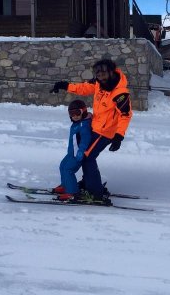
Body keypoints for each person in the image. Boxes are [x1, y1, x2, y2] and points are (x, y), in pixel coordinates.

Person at [50, 59, 133, 202]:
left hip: (105, 133)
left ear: (111, 72)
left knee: (87, 158)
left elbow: (125, 115)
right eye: (97, 73)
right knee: (83, 156)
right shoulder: (98, 84)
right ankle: (88, 182)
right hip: (95, 126)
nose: (100, 76)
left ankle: (95, 193)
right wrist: (64, 85)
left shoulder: (120, 94)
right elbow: (83, 88)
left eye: (103, 73)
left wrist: (119, 136)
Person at [53, 99, 92, 201]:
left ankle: (72, 192)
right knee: (62, 166)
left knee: (68, 170)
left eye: (77, 113)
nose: (74, 116)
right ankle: (65, 186)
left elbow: (85, 139)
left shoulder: (83, 125)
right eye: (71, 113)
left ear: (83, 111)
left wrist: (81, 151)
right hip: (71, 154)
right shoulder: (77, 123)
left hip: (77, 155)